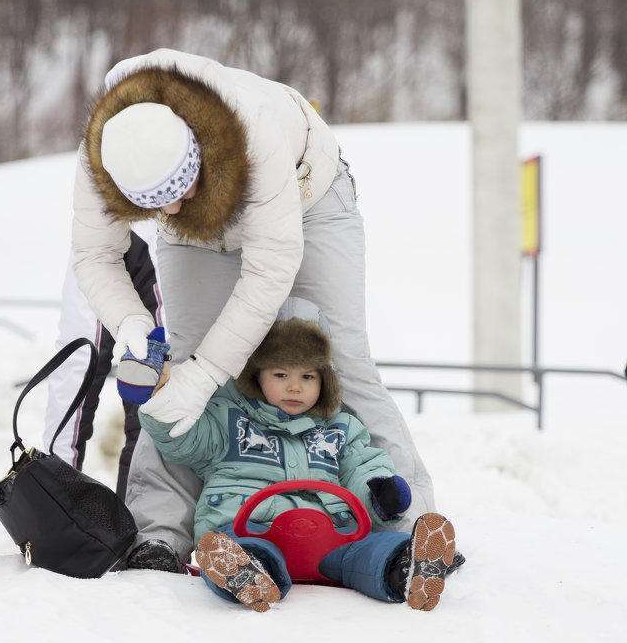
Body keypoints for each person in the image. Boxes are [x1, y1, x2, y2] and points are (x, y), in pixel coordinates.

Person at [71, 47, 436, 572]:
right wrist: (131, 321)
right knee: (182, 370)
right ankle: (159, 537)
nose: (171, 208)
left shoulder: (248, 126)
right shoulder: (101, 154)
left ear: (195, 148)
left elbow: (269, 272)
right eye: (156, 202)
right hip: (196, 241)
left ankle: (413, 533)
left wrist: (209, 374)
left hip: (308, 200)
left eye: (179, 188)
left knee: (342, 362)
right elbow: (94, 254)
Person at [139, 298, 463, 612]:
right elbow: (183, 439)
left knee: (371, 550)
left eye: (307, 376)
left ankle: (407, 567)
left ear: (325, 379)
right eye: (281, 375)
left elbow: (361, 465)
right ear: (256, 374)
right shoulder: (228, 419)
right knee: (240, 544)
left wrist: (380, 492)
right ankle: (241, 570)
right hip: (251, 525)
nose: (295, 387)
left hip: (332, 535)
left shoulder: (341, 427)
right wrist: (165, 401)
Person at [43, 222, 163, 500]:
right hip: (122, 233)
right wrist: (57, 494)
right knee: (152, 400)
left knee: (156, 405)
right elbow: (79, 362)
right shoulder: (105, 223)